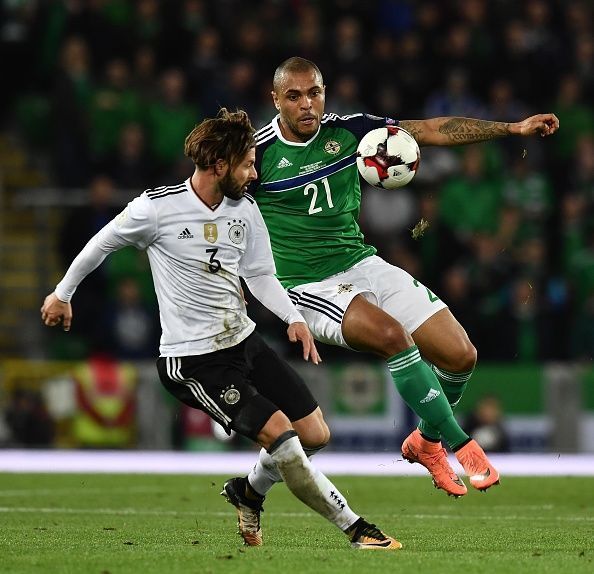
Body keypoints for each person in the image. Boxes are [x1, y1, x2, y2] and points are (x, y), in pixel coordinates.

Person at [40, 108, 401, 551]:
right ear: (219, 165)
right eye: (248, 164)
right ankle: (355, 528)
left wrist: (292, 319)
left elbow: (262, 275)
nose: (254, 173)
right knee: (283, 438)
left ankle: (248, 491)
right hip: (193, 360)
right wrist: (62, 294)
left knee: (315, 435)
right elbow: (101, 244)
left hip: (244, 341)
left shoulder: (244, 209)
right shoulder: (156, 208)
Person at [236, 57, 559, 508]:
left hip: (361, 262)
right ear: (275, 99)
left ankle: (424, 443)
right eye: (294, 95)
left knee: (460, 355)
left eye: (315, 92)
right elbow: (221, 210)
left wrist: (512, 129)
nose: (307, 104)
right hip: (307, 286)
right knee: (394, 337)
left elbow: (430, 129)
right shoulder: (258, 152)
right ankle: (460, 443)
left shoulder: (349, 133)